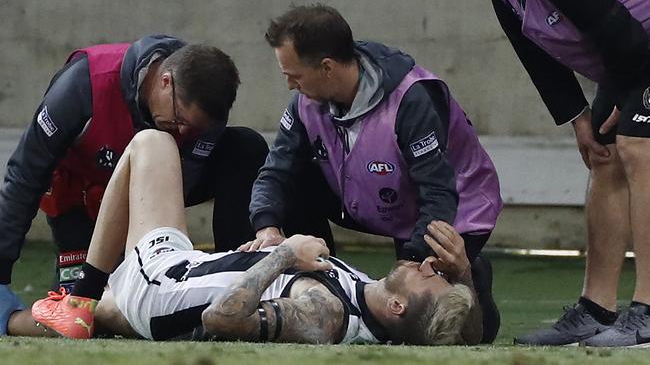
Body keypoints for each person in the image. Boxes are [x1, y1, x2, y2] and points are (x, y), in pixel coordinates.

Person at [21, 130, 481, 345]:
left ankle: (81, 292)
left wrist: (281, 255)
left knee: (152, 144)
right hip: (178, 287)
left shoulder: (327, 315)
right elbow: (471, 333)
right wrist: (461, 274)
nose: (426, 264)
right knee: (75, 323)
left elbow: (223, 319)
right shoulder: (369, 300)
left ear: (399, 307)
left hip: (163, 279)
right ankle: (40, 315)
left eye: (430, 279)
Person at [243, 4, 502, 343]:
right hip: (371, 196)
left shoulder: (412, 99)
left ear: (327, 68)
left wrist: (409, 267)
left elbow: (439, 193)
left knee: (434, 329)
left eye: (294, 75)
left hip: (453, 210)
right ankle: (319, 278)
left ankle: (471, 271)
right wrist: (268, 228)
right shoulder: (306, 101)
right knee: (292, 185)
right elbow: (275, 171)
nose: (290, 84)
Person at [0, 34, 269, 336]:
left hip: (156, 197)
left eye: (192, 128)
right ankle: (17, 318)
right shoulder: (85, 84)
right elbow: (25, 174)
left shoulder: (206, 99)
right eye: (179, 118)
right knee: (83, 319)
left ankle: (229, 287)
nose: (182, 131)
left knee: (246, 147)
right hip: (82, 201)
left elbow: (184, 181)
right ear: (165, 81)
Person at [492, 0, 650, 346]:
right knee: (604, 152)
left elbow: (620, 34)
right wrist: (577, 116)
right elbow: (532, 49)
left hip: (637, 41)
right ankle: (597, 310)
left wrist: (626, 101)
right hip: (627, 47)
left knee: (639, 145)